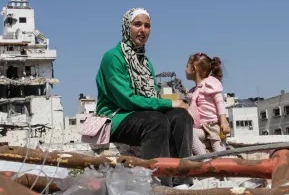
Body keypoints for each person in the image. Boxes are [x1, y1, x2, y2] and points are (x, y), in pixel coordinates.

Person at [95, 8, 193, 161]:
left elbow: (151, 95)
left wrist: (174, 106)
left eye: (147, 26)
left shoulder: (146, 63)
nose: (143, 30)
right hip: (116, 116)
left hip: (143, 113)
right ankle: (158, 179)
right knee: (156, 122)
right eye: (137, 24)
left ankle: (183, 177)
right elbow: (126, 100)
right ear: (127, 27)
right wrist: (170, 102)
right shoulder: (113, 57)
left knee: (181, 117)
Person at [185, 53, 230, 155]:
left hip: (214, 127)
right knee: (187, 132)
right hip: (202, 128)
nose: (185, 69)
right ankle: (204, 158)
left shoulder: (210, 83)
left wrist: (223, 122)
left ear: (194, 69)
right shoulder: (193, 90)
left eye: (187, 66)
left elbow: (219, 102)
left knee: (220, 154)